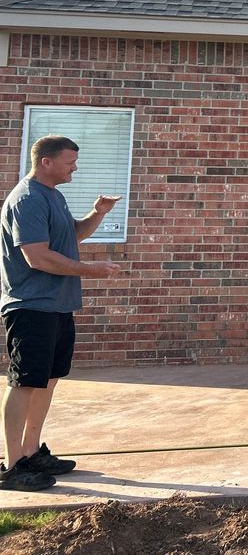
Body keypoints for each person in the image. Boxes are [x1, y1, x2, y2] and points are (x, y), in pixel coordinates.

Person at [0, 136, 123, 491]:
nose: (75, 168)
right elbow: (36, 257)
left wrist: (97, 214)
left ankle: (31, 451)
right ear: (46, 162)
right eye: (70, 162)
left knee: (47, 380)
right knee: (25, 383)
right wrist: (91, 271)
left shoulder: (53, 196)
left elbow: (71, 237)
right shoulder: (27, 199)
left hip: (57, 305)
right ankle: (12, 465)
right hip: (31, 306)